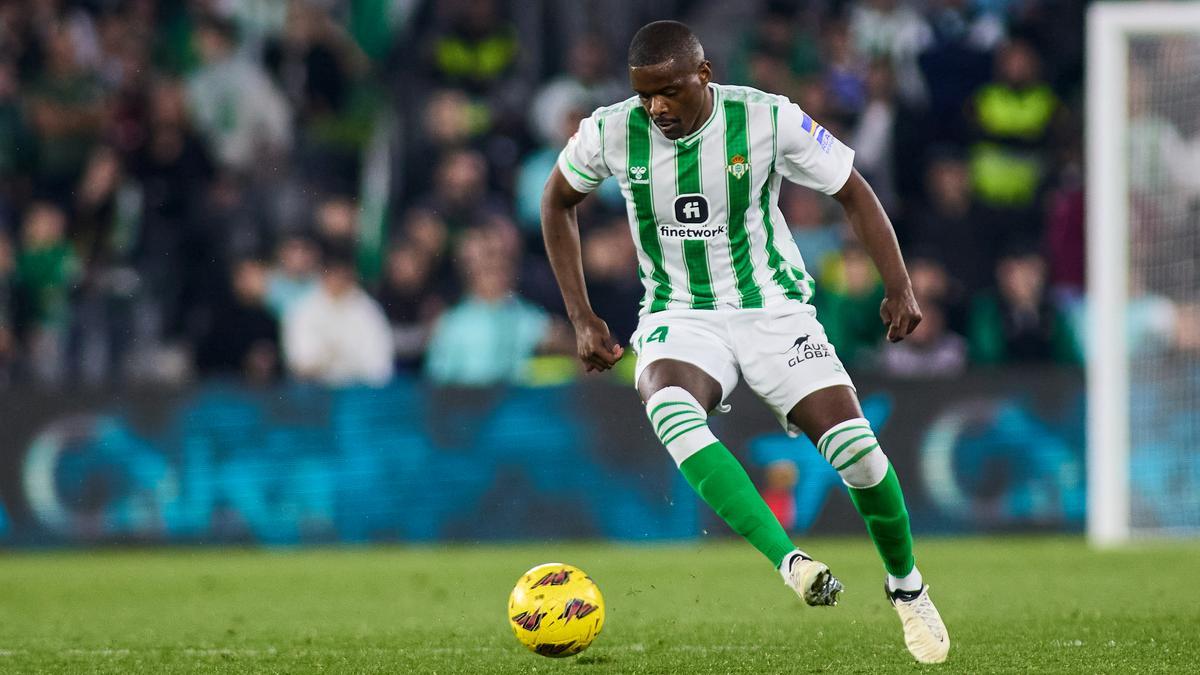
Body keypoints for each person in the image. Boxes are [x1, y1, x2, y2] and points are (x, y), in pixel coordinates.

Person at [540, 21, 948, 664]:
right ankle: (789, 562)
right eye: (645, 95)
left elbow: (853, 190)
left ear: (703, 75)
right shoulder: (611, 130)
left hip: (773, 311)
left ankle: (907, 590)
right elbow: (556, 201)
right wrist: (582, 317)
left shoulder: (766, 119)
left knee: (859, 456)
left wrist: (899, 286)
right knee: (668, 406)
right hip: (681, 313)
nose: (657, 108)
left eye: (669, 91)